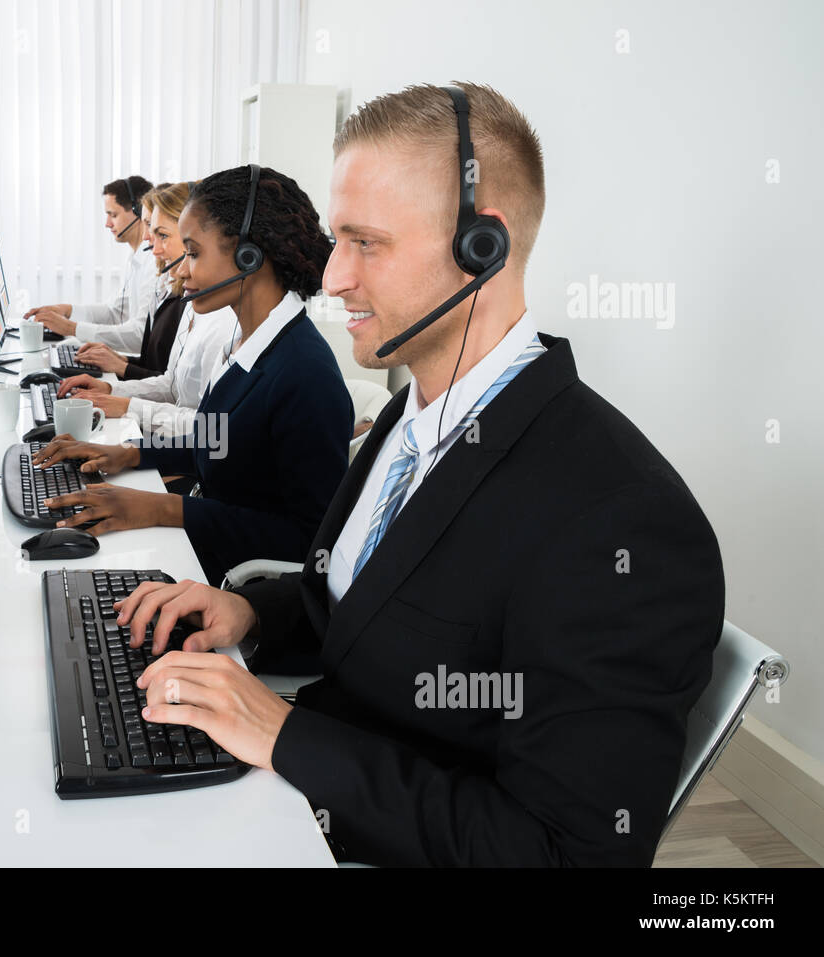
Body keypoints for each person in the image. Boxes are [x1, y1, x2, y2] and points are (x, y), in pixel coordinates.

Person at [111, 83, 725, 867]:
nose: (332, 277)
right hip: (295, 799)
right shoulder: (413, 416)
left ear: (484, 249)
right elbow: (366, 611)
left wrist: (285, 735)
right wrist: (247, 613)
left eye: (366, 242)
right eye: (338, 240)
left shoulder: (620, 520)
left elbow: (568, 852)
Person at [33, 165, 353, 586]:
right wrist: (131, 454)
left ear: (248, 256)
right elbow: (219, 437)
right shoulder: (247, 339)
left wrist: (164, 508)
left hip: (236, 588)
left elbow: (310, 542)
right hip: (200, 546)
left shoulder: (305, 375)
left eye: (195, 253)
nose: (181, 271)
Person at [59, 181, 237, 438]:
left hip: (184, 454)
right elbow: (171, 386)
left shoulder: (223, 325)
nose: (152, 246)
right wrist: (111, 391)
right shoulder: (193, 306)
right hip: (171, 440)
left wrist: (127, 408)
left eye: (161, 235)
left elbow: (213, 431)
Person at [74, 181, 198, 382]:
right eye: (147, 224)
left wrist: (122, 367)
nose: (148, 238)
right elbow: (158, 366)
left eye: (160, 233)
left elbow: (173, 388)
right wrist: (121, 361)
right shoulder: (166, 282)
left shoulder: (191, 298)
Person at [23, 175, 157, 351]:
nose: (107, 224)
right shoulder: (136, 258)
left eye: (113, 215)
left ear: (138, 211)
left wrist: (71, 329)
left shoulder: (153, 262)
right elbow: (116, 313)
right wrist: (66, 310)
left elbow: (141, 335)